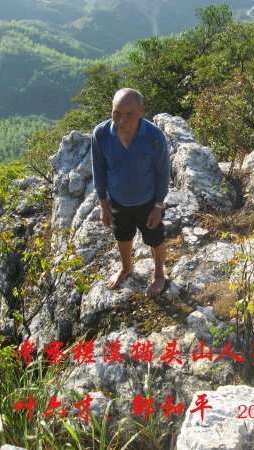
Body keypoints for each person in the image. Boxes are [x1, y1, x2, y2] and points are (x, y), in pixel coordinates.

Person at [91, 88, 171, 297]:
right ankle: (127, 268)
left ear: (141, 111)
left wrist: (158, 206)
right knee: (122, 235)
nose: (122, 121)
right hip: (118, 201)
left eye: (129, 115)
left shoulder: (154, 136)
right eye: (116, 114)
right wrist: (103, 204)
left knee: (155, 239)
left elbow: (163, 173)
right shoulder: (101, 134)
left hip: (148, 202)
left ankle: (159, 275)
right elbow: (98, 169)